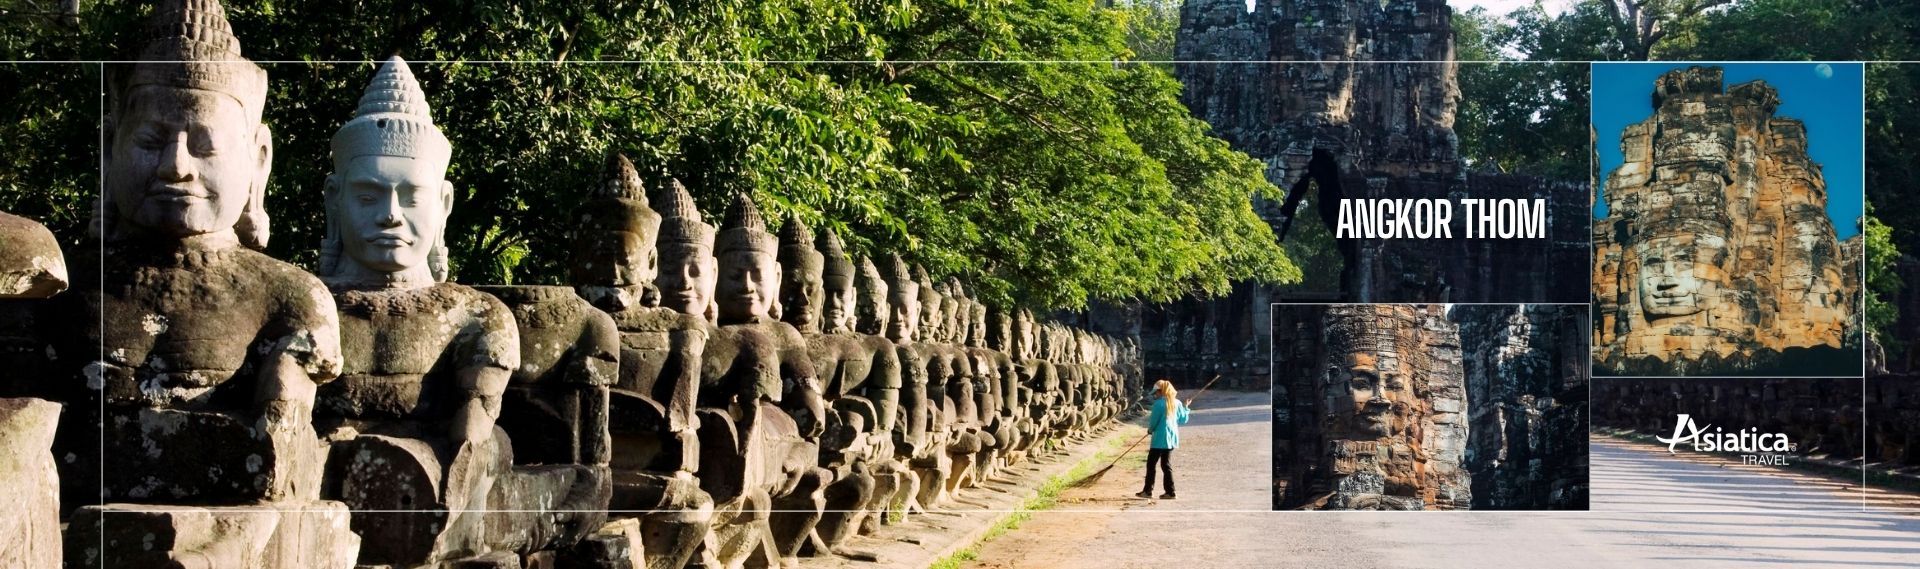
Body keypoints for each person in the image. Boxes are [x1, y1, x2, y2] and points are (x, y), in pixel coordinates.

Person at [1137, 379, 1191, 500]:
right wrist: (1186, 408)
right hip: (1171, 439)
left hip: (1159, 439)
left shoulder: (1159, 404)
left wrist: (1150, 430)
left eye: (1156, 392)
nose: (1155, 395)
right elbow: (1183, 420)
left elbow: (1154, 422)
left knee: (1151, 465)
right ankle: (1170, 492)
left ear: (1162, 391)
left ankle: (1148, 491)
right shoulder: (1176, 403)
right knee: (1166, 465)